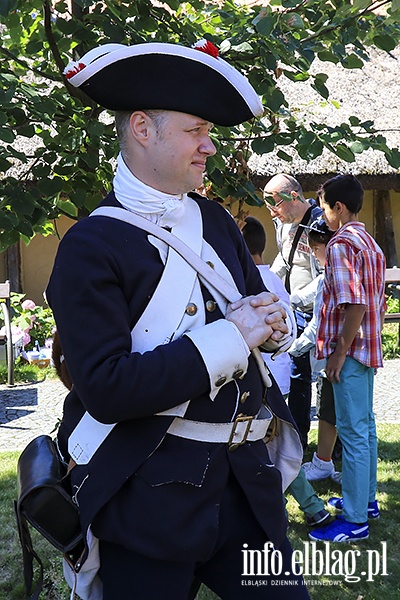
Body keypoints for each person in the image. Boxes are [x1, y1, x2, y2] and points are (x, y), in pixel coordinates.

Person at [46, 41, 309, 599]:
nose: (209, 146)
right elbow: (108, 389)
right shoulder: (90, 246)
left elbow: (253, 309)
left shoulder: (214, 219)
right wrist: (233, 337)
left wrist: (273, 322)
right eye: (195, 130)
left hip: (244, 489)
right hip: (147, 495)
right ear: (143, 128)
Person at [242, 216, 333, 529]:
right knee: (274, 448)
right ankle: (305, 509)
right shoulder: (274, 279)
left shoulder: (247, 282)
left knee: (269, 451)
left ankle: (292, 511)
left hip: (262, 378)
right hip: (279, 376)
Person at [309, 174, 385, 543]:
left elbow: (353, 302)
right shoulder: (370, 242)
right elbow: (376, 303)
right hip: (367, 348)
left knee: (353, 433)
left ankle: (355, 520)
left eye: (324, 208)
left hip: (350, 353)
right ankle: (365, 500)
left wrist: (339, 352)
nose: (323, 216)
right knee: (366, 428)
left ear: (338, 207)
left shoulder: (340, 244)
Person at [264, 174, 322, 449]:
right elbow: (284, 260)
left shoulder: (320, 224)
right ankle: (298, 438)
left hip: (317, 311)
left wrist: (295, 298)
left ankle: (331, 444)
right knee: (297, 375)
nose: (271, 212)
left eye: (275, 204)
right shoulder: (282, 225)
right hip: (292, 310)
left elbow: (324, 278)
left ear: (295, 197)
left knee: (323, 378)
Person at [288, 220, 341, 484]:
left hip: (334, 359)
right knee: (327, 411)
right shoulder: (325, 277)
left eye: (315, 250)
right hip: (328, 360)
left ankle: (324, 462)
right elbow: (299, 297)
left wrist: (292, 348)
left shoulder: (333, 277)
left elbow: (319, 325)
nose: (314, 256)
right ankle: (326, 461)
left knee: (331, 414)